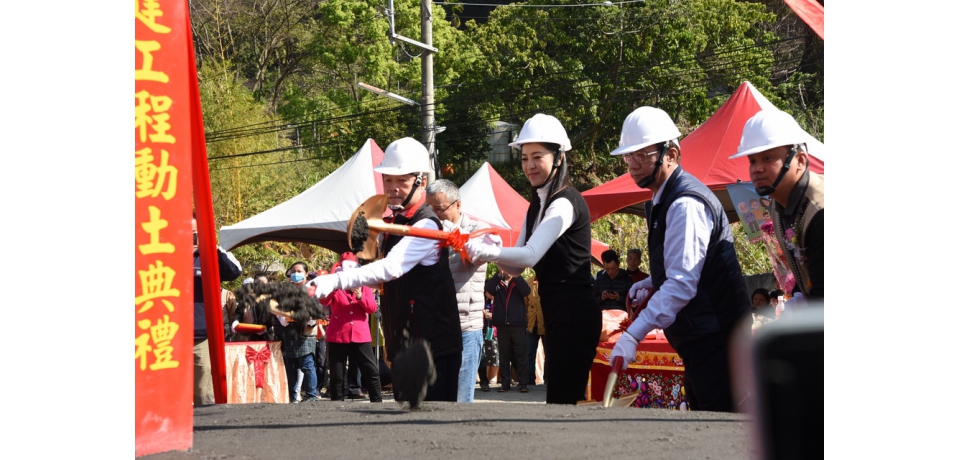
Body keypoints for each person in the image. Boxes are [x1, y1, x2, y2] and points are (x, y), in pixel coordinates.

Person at [606, 106, 751, 412]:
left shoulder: (685, 203)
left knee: (716, 423)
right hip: (702, 335)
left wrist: (633, 333)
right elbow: (683, 267)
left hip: (715, 336)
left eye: (641, 155)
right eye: (628, 157)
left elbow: (683, 283)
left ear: (670, 154)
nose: (633, 164)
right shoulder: (665, 198)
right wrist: (652, 282)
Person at [310, 137, 463, 406]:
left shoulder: (426, 224)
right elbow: (385, 273)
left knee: (434, 423)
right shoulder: (395, 221)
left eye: (401, 180)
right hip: (407, 345)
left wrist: (336, 280)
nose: (392, 187)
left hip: (434, 346)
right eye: (388, 179)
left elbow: (391, 267)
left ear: (421, 182)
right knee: (405, 426)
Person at [467, 113, 602, 405]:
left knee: (564, 401)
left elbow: (530, 255)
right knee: (558, 401)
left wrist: (487, 251)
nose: (529, 165)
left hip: (576, 312)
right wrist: (489, 251)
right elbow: (515, 267)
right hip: (554, 312)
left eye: (537, 157)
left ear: (559, 157)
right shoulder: (535, 206)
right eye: (524, 158)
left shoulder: (566, 202)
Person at [728, 109, 824, 302]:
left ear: (800, 160)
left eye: (767, 158)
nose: (756, 169)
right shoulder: (778, 205)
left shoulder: (820, 210)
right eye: (752, 161)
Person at [426, 178, 499, 403]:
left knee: (460, 399)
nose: (434, 215)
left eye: (439, 209)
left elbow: (477, 254)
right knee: (434, 398)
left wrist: (444, 230)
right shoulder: (428, 233)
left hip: (465, 328)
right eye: (430, 209)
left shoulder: (477, 230)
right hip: (435, 325)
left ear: (458, 204)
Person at [192, 216, 243, 406]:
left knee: (203, 393)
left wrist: (211, 245)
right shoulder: (164, 254)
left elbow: (235, 271)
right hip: (167, 336)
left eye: (195, 234)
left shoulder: (210, 257)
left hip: (201, 336)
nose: (191, 238)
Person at [320, 252, 383, 403]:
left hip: (360, 334)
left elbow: (372, 308)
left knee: (371, 370)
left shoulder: (363, 285)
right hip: (338, 334)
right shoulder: (334, 285)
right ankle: (337, 404)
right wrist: (335, 285)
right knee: (337, 374)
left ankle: (377, 401)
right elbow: (324, 301)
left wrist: (360, 296)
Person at [275, 261, 321, 403]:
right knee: (290, 366)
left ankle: (311, 395)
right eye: (293, 271)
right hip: (288, 332)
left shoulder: (311, 290)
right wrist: (281, 317)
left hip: (305, 332)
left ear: (306, 274)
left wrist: (311, 319)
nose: (296, 274)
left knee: (307, 365)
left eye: (299, 271)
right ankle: (292, 395)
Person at [485, 266, 531, 392]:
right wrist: (498, 274)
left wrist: (516, 275)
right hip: (502, 325)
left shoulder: (518, 282)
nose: (508, 270)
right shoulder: (498, 282)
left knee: (521, 355)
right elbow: (489, 289)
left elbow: (526, 291)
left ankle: (523, 384)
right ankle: (505, 384)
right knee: (504, 355)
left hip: (518, 324)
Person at [524, 273, 546, 386]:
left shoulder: (549, 281)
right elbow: (525, 303)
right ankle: (529, 379)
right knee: (529, 352)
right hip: (532, 324)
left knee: (549, 353)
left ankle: (548, 379)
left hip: (546, 324)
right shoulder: (528, 282)